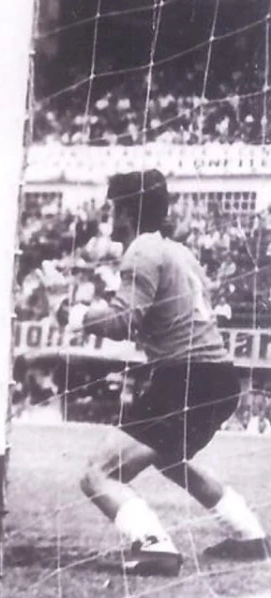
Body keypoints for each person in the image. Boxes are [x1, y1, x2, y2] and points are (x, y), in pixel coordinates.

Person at [60, 169, 269, 576]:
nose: (108, 218)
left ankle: (153, 547)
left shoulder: (141, 250)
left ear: (123, 212)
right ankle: (249, 534)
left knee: (98, 473)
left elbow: (124, 321)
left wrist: (82, 316)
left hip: (185, 377)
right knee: (171, 459)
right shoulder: (179, 251)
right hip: (217, 376)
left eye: (111, 209)